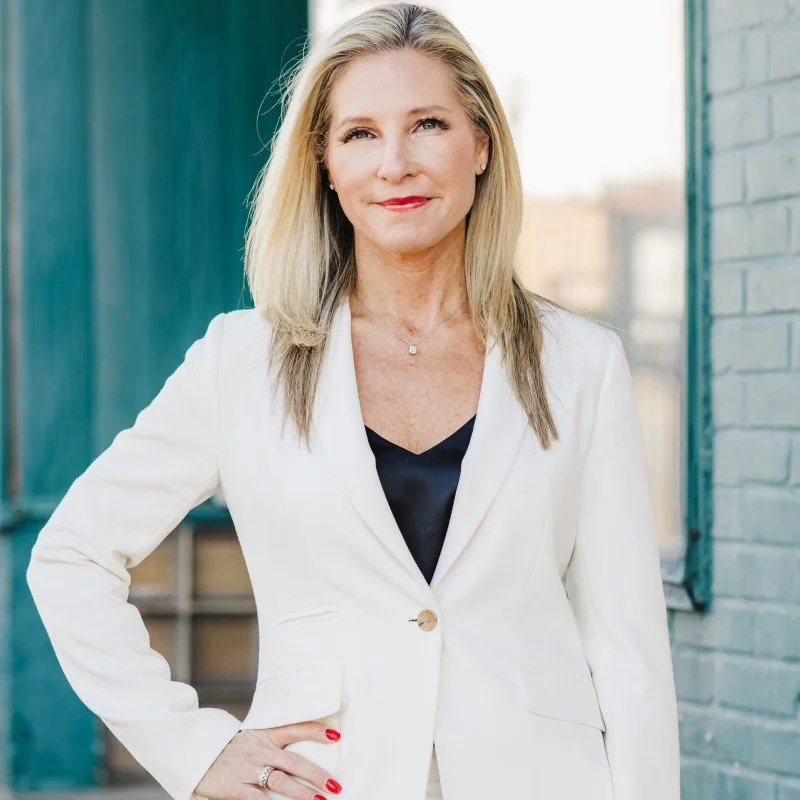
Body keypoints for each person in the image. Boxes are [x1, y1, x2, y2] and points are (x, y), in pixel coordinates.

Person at [26, 3, 681, 800]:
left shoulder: (582, 364)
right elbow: (71, 557)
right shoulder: (243, 362)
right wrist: (193, 751)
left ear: (481, 144)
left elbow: (627, 649)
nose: (394, 164)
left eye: (428, 124)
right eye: (360, 134)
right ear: (326, 164)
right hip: (328, 782)